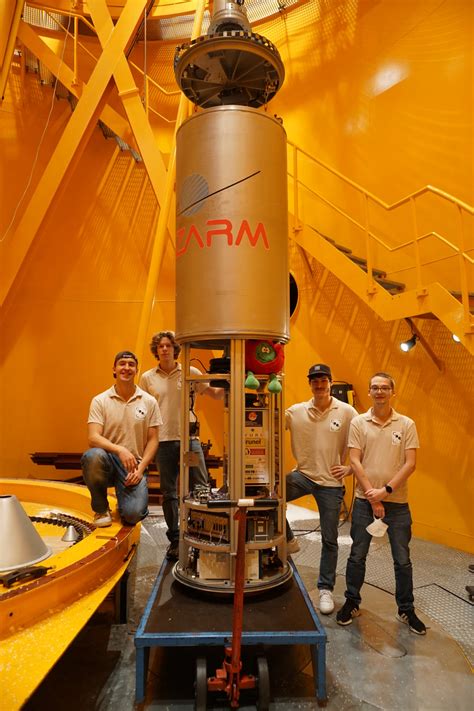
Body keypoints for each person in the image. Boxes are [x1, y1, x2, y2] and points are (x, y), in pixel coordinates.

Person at [336, 372, 426, 635]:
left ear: (392, 392)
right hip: (365, 502)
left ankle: (406, 609)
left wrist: (385, 491)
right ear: (369, 392)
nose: (379, 392)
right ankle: (352, 601)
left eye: (384, 387)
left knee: (402, 560)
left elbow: (411, 464)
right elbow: (355, 460)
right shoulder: (358, 423)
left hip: (397, 503)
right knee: (357, 555)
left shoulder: (406, 424)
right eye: (374, 387)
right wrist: (371, 494)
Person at [139, 331, 223, 561]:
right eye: (161, 346)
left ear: (176, 349)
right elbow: (142, 412)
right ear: (156, 350)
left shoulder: (190, 372)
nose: (164, 349)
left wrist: (231, 380)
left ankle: (202, 536)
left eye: (168, 345)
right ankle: (175, 539)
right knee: (169, 493)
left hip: (189, 440)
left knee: (201, 488)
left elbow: (215, 394)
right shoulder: (147, 378)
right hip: (162, 441)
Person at [285, 363, 358, 614]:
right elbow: (263, 421)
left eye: (323, 380)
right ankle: (289, 539)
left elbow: (364, 442)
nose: (319, 384)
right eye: (314, 380)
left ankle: (325, 588)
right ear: (310, 384)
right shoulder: (295, 412)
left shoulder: (347, 412)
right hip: (303, 475)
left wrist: (350, 469)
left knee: (330, 539)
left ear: (330, 382)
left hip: (331, 484)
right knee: (270, 496)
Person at [81, 351, 161, 527]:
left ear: (136, 370)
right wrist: (119, 449)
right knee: (92, 456)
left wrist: (140, 469)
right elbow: (93, 437)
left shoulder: (149, 401)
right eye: (122, 364)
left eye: (131, 364)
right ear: (114, 370)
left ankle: (125, 501)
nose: (127, 368)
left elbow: (153, 439)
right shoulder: (100, 400)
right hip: (108, 461)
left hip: (134, 466)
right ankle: (101, 509)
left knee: (133, 515)